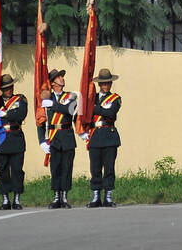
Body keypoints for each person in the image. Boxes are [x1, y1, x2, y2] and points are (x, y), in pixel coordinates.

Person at [0, 72, 28, 210]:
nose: (8, 90)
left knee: (17, 171)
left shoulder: (20, 99)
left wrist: (5, 114)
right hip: (1, 139)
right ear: (1, 89)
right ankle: (5, 199)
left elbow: (21, 114)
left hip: (16, 138)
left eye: (10, 87)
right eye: (5, 88)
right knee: (3, 171)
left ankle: (17, 198)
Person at [40, 67, 78, 209]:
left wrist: (53, 105)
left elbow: (70, 109)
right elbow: (40, 120)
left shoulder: (71, 96)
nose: (62, 78)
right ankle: (56, 196)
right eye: (59, 77)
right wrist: (41, 140)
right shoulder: (45, 98)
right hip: (53, 136)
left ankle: (65, 197)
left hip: (67, 135)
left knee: (67, 167)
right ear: (53, 82)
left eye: (62, 76)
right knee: (55, 167)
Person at [86, 68, 121, 209]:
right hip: (94, 135)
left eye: (107, 83)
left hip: (109, 135)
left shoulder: (116, 98)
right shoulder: (91, 98)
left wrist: (94, 108)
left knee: (109, 168)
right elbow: (82, 114)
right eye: (103, 83)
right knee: (95, 168)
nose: (105, 86)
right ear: (99, 84)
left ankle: (108, 196)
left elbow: (111, 113)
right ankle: (96, 197)